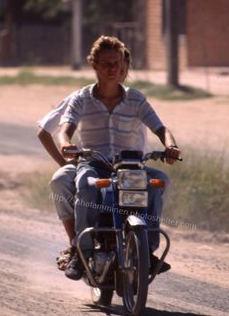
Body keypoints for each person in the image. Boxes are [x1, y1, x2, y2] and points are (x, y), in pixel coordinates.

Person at [58, 35, 181, 280]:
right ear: (94, 65)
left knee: (158, 183)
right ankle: (80, 254)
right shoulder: (81, 98)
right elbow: (64, 130)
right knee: (86, 185)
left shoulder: (136, 99)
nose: (113, 69)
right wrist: (66, 145)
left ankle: (147, 251)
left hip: (132, 167)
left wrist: (170, 145)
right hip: (95, 164)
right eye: (107, 64)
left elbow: (161, 128)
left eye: (117, 63)